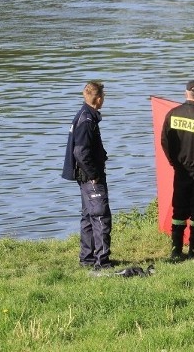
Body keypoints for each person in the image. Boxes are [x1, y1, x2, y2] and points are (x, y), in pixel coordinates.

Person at [161, 79, 194, 261]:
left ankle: (176, 250)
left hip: (181, 171)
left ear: (186, 93)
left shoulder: (172, 114)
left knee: (179, 211)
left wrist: (174, 162)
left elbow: (165, 141)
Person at [62, 81, 113, 270]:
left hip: (84, 176)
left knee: (88, 216)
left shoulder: (84, 115)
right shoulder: (87, 120)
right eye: (104, 97)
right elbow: (81, 153)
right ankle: (102, 261)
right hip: (90, 177)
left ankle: (87, 257)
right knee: (100, 216)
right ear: (99, 99)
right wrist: (94, 175)